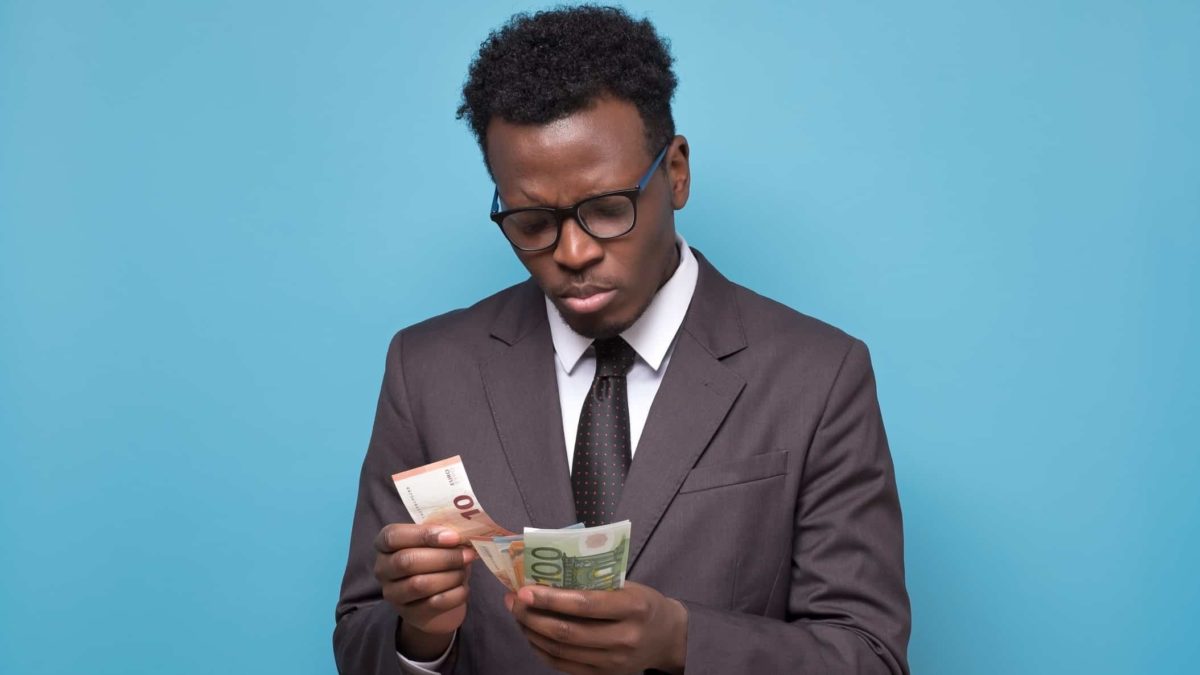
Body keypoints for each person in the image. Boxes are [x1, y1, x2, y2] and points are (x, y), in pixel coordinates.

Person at [334, 6, 910, 674]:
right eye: (531, 221)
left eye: (608, 209)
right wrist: (421, 633)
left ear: (677, 173)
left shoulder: (820, 374)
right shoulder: (426, 369)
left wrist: (683, 642)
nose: (572, 252)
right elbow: (359, 640)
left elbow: (869, 657)